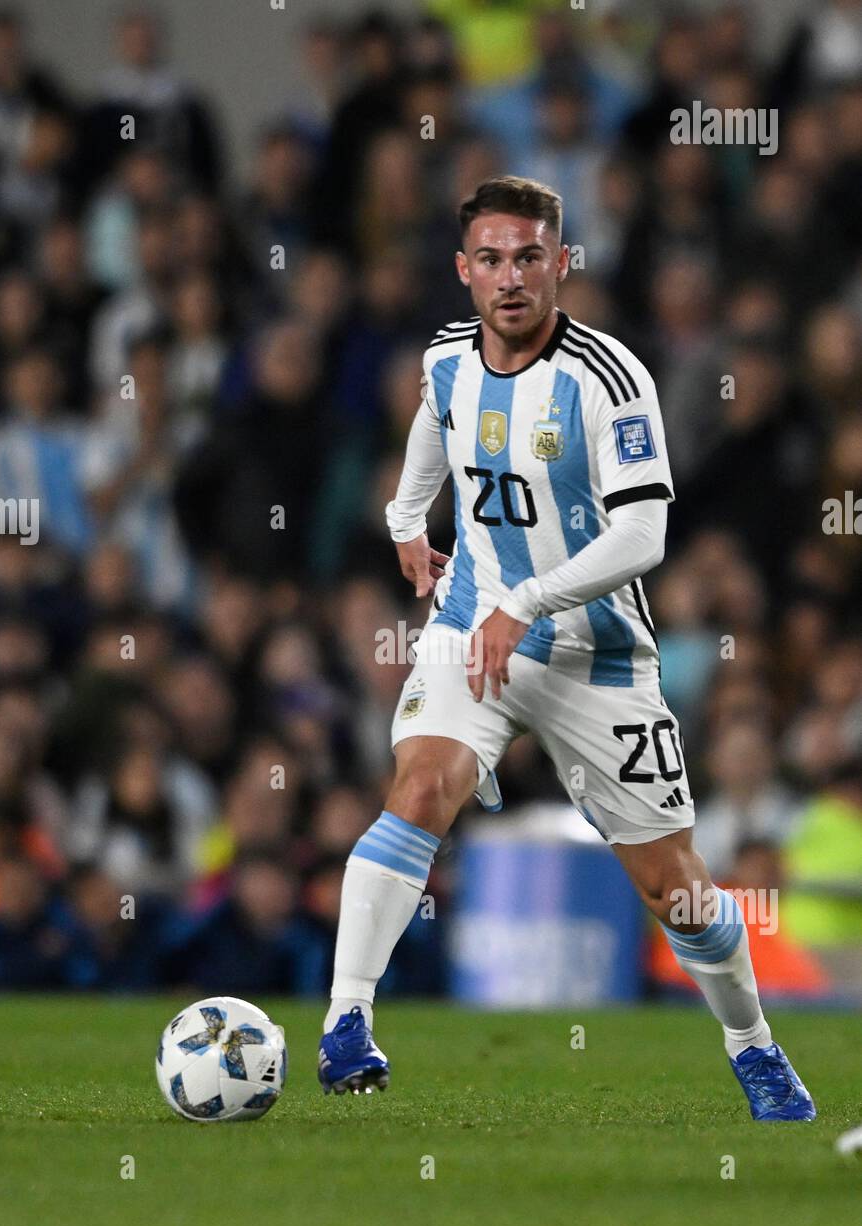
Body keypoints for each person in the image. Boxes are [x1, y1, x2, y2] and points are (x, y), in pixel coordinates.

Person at [317, 176, 816, 1122]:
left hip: (598, 656)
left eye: (530, 257)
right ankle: (347, 1022)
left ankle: (752, 1042)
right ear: (465, 271)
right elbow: (434, 424)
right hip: (472, 626)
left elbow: (644, 539)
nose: (511, 278)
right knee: (420, 786)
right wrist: (403, 515)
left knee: (676, 890)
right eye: (492, 260)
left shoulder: (610, 378)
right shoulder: (447, 361)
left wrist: (533, 600)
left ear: (562, 263)